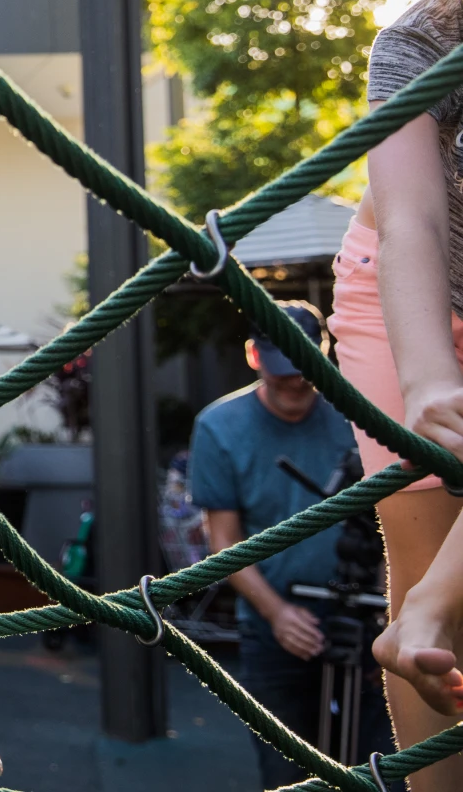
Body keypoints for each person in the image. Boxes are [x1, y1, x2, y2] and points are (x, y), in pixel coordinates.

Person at [321, 0, 463, 782]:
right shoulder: (418, 41)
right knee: (423, 578)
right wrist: (428, 381)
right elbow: (409, 216)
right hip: (398, 294)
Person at [189, 302, 395, 787]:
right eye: (282, 373)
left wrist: (390, 615)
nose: (294, 384)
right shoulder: (219, 427)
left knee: (381, 767)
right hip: (273, 624)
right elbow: (224, 542)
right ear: (253, 356)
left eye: (304, 372)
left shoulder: (359, 413)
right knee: (287, 772)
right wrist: (278, 613)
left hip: (368, 621)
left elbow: (391, 523)